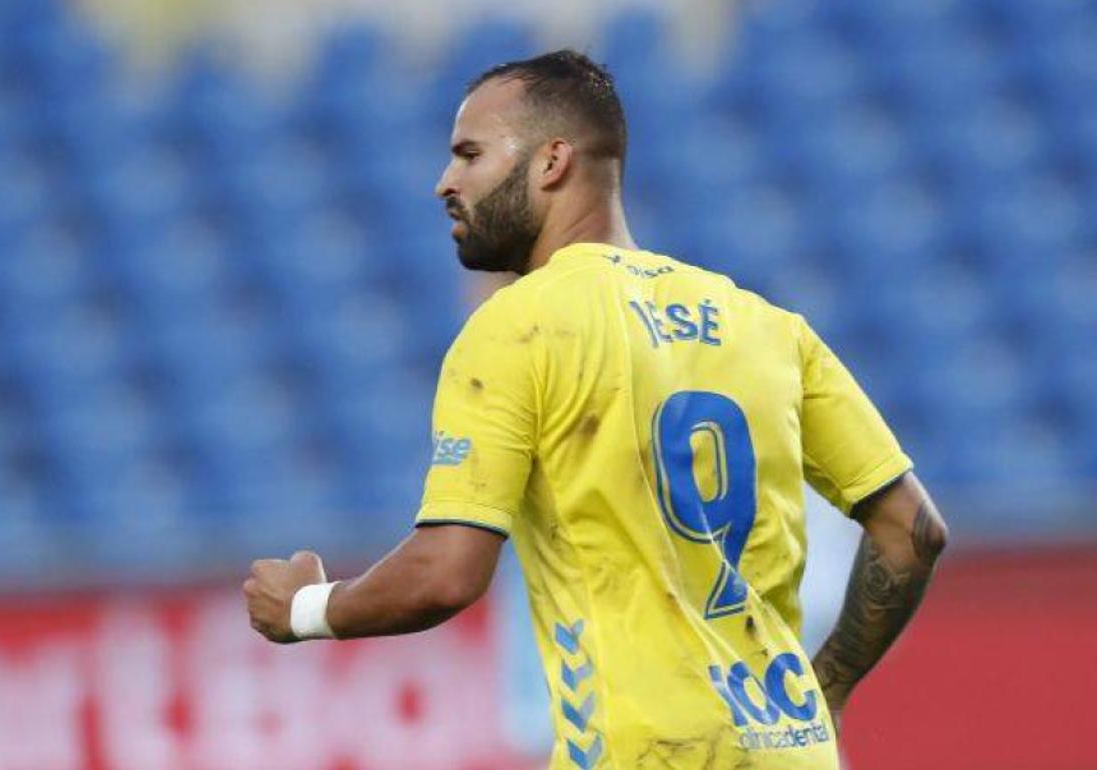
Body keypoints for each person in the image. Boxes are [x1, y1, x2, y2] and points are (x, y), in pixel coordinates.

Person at [244, 50, 948, 770]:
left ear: (552, 162)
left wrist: (306, 608)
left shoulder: (518, 326)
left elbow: (447, 573)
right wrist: (827, 686)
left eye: (470, 154)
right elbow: (912, 530)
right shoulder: (768, 326)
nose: (445, 182)